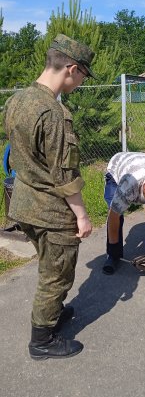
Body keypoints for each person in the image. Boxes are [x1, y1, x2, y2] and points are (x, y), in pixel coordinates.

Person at [3, 34, 95, 360]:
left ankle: (52, 313)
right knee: (56, 276)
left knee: (48, 266)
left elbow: (16, 152)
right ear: (70, 69)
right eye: (83, 74)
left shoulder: (18, 99)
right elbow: (65, 176)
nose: (82, 81)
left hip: (23, 204)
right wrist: (82, 216)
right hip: (50, 212)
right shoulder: (53, 113)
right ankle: (41, 340)